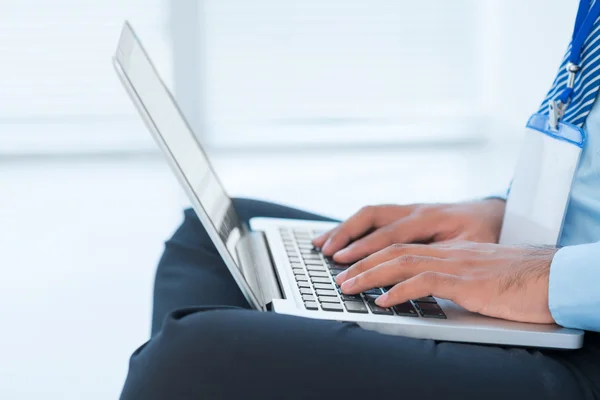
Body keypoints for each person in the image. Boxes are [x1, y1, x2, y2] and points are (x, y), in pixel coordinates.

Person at [120, 4, 600, 400]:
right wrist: (512, 211)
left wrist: (549, 278)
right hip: (549, 260)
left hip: (582, 331)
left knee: (194, 356)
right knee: (217, 236)